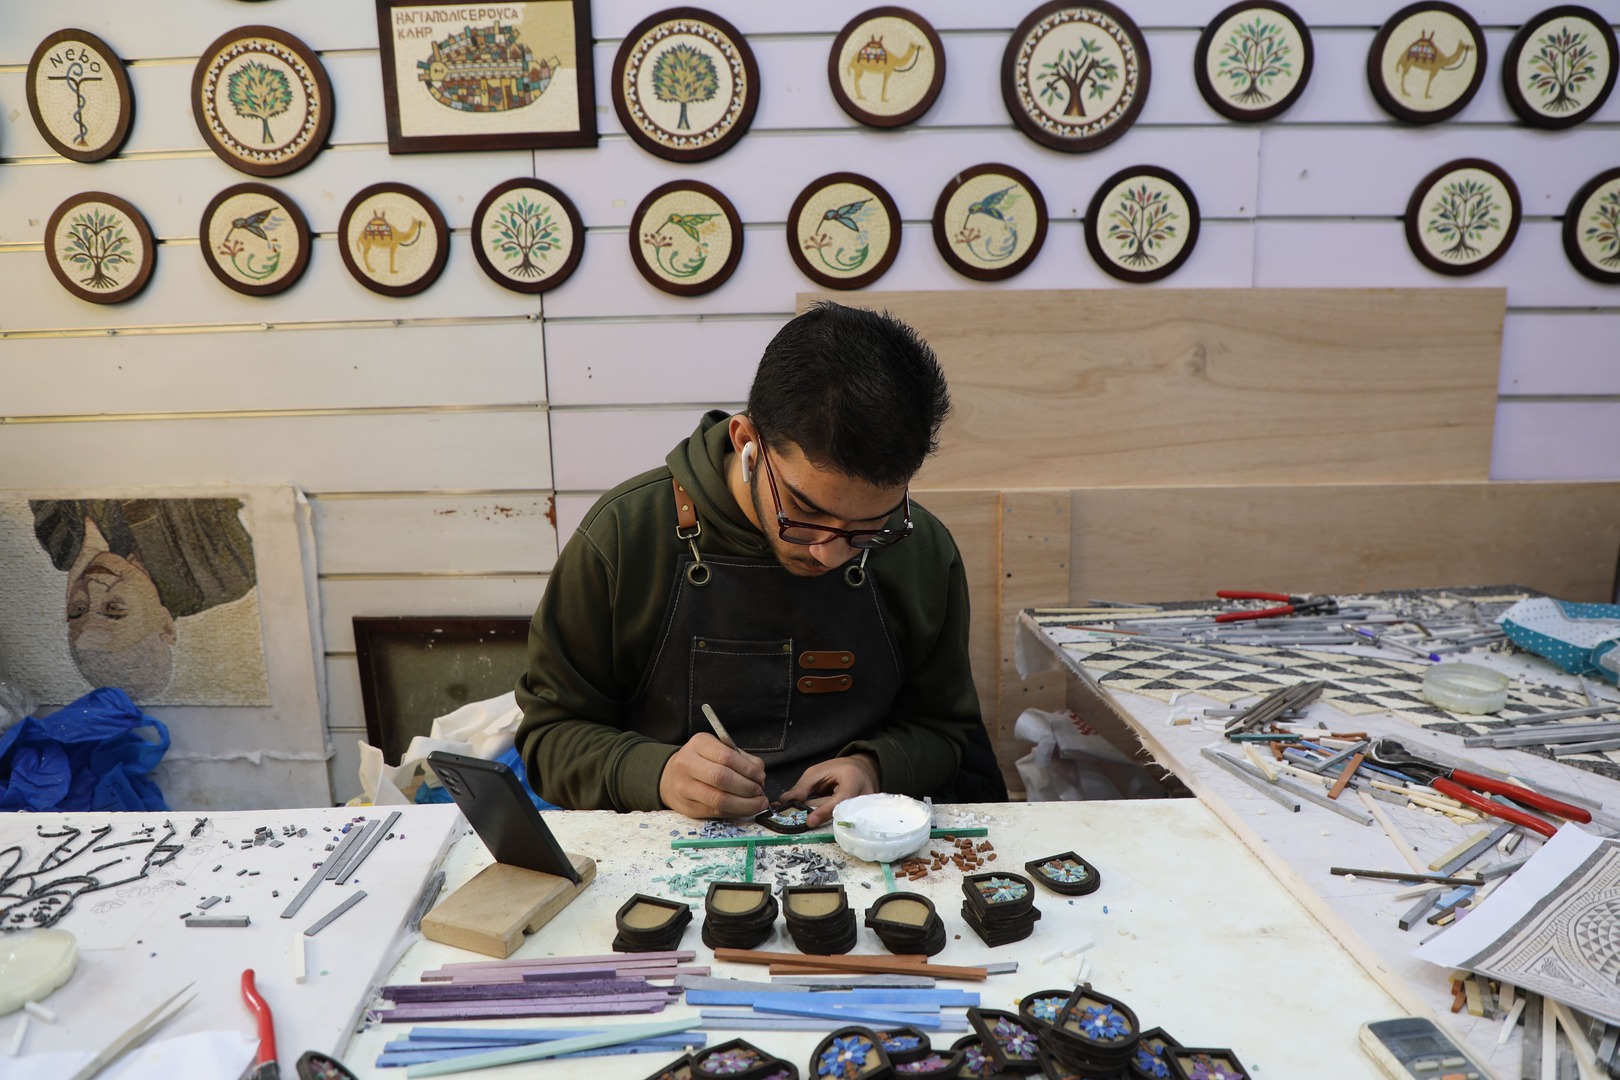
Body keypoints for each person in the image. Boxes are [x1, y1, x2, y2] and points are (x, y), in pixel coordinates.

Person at [516, 302, 1007, 825]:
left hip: (858, 839)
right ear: (747, 443)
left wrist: (875, 767)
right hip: (669, 842)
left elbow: (944, 730)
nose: (829, 552)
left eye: (867, 527)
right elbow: (550, 737)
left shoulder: (921, 548)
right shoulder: (624, 537)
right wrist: (655, 773)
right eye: (805, 511)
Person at [30, 498, 258, 700]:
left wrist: (86, 541)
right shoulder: (226, 574)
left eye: (79, 608)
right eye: (114, 609)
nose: (92, 586)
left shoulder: (63, 546)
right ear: (165, 625)